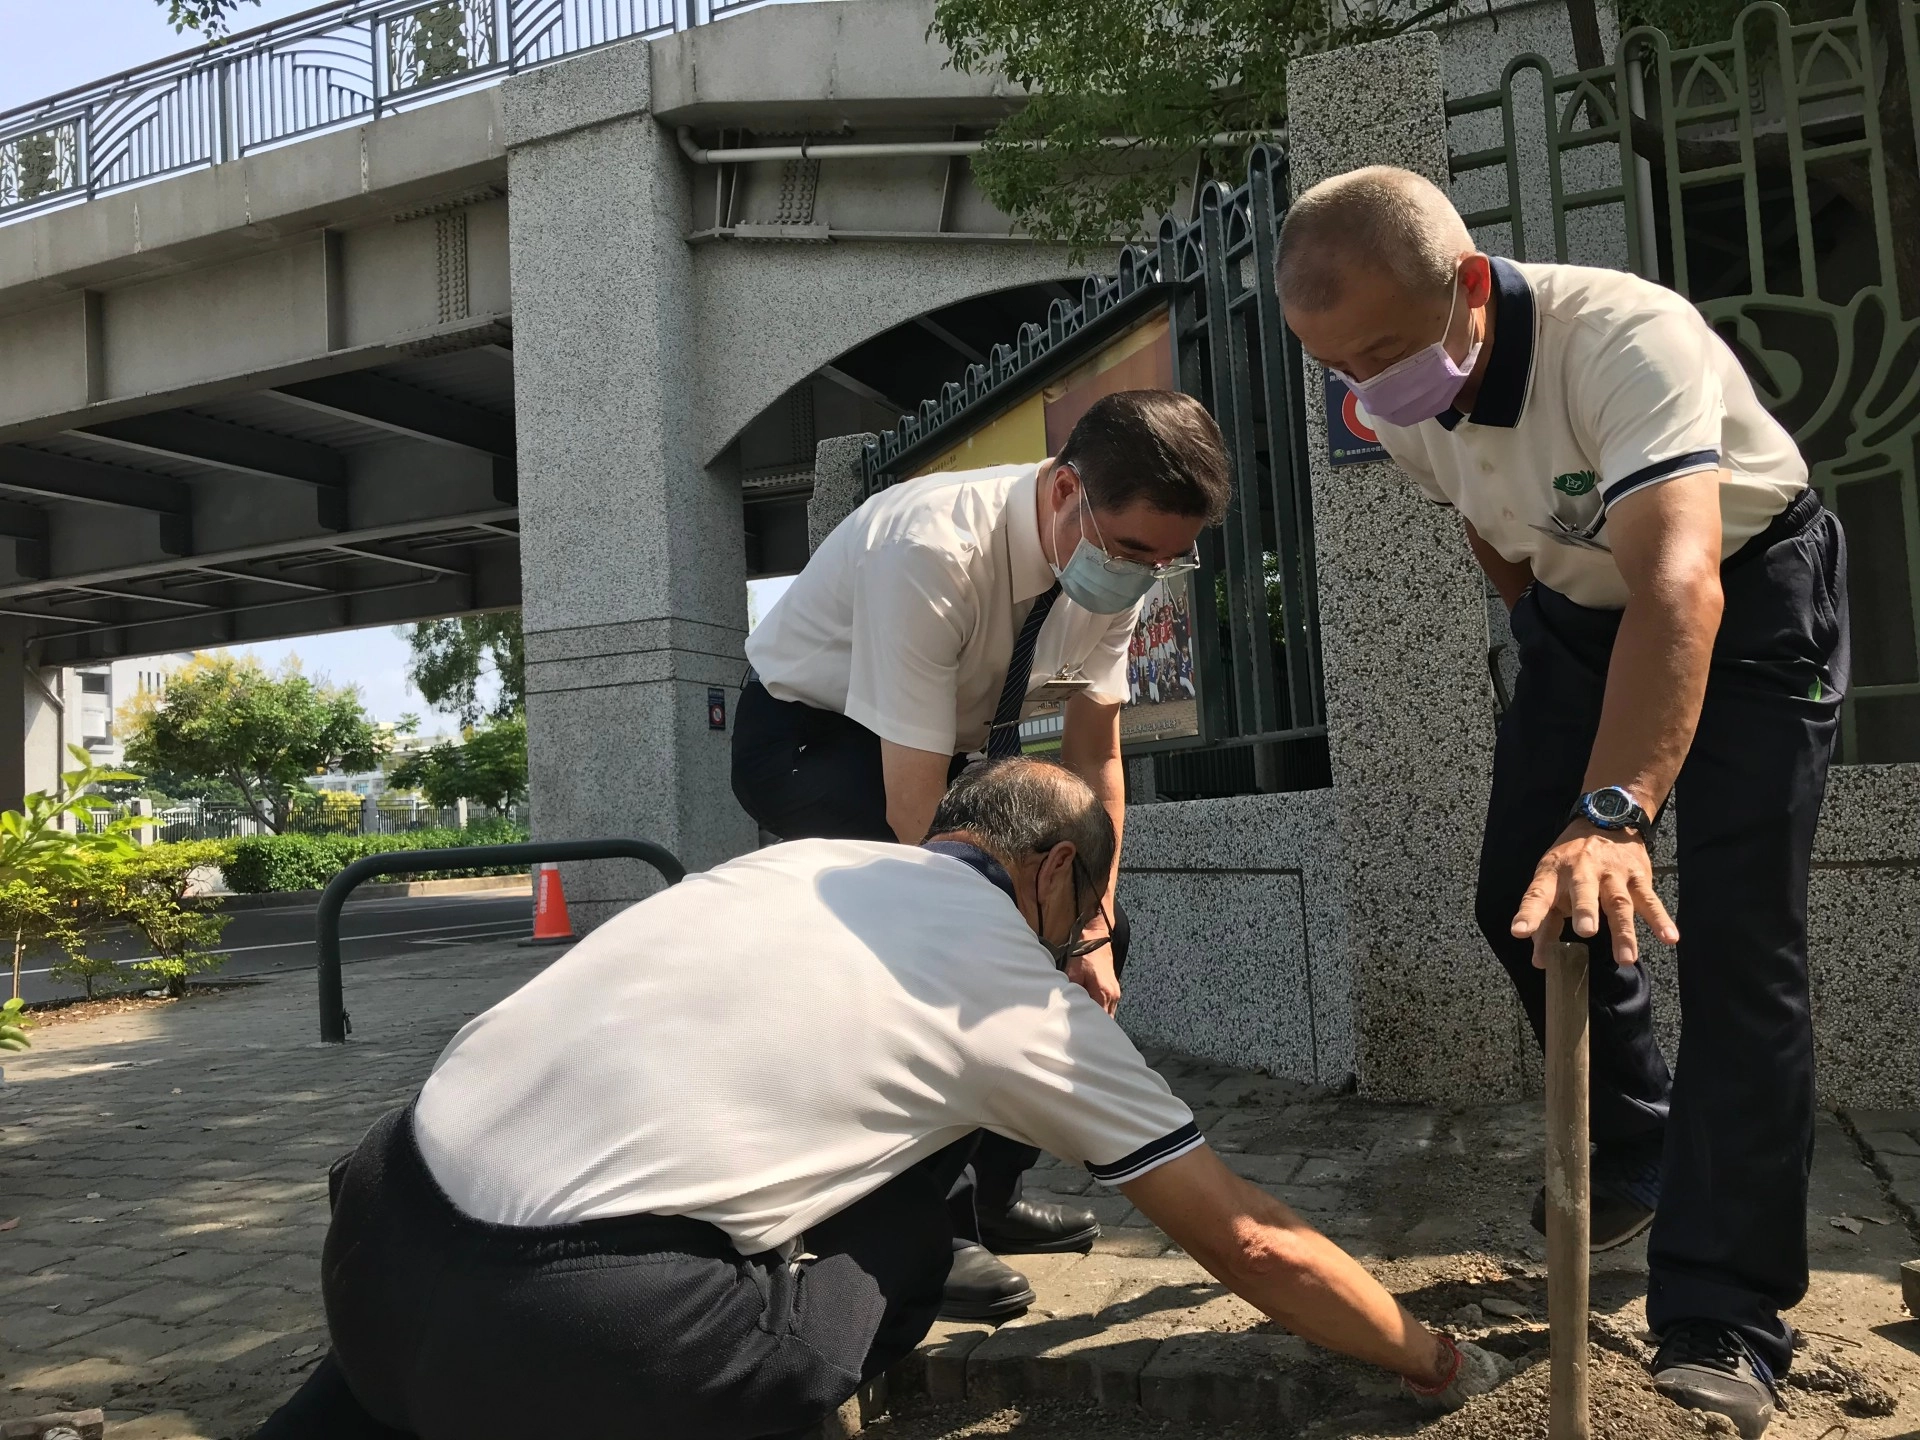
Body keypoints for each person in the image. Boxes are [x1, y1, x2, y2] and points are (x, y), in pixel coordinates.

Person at [256, 760, 1505, 1440]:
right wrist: (1429, 1356)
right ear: (1059, 872)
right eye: (1090, 919)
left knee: (416, 1375)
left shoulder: (798, 861)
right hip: (577, 1348)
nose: (1086, 946)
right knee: (927, 1188)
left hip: (376, 1236)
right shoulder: (1012, 995)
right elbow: (1243, 1234)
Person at [1277, 166, 1847, 1439]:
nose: (1366, 390)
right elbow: (1487, 522)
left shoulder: (1625, 337)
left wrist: (1616, 810)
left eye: (1379, 350)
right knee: (1519, 901)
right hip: (1579, 616)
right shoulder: (1398, 397)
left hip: (1746, 601)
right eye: (1336, 366)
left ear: (1469, 289)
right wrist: (1542, 628)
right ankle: (1637, 1141)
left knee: (1746, 950)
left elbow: (1684, 585)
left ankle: (1722, 1316)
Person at [732, 389, 1232, 1318]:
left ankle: (989, 1196)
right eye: (1132, 552)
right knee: (937, 963)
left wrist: (1089, 925)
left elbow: (1094, 759)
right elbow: (910, 806)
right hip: (814, 741)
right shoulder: (930, 548)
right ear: (1066, 491)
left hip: (955, 746)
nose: (1145, 576)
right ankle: (923, 1233)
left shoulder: (1114, 564)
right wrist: (994, 939)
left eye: (1169, 559)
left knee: (1092, 945)